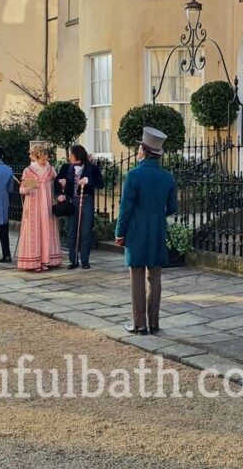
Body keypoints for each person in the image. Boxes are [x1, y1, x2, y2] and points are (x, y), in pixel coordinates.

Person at [115, 127, 178, 335]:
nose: (137, 151)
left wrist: (119, 232)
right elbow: (172, 208)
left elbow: (126, 207)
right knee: (156, 277)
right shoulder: (168, 176)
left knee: (137, 277)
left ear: (144, 150)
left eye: (139, 147)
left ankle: (139, 324)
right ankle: (154, 322)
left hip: (136, 231)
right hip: (158, 230)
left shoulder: (133, 175)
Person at [57, 144, 105, 270]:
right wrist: (60, 192)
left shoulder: (92, 168)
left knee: (86, 231)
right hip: (72, 201)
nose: (69, 157)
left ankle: (85, 260)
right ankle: (73, 260)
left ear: (77, 156)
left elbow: (101, 183)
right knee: (72, 232)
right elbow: (57, 183)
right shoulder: (66, 167)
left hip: (87, 201)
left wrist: (88, 181)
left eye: (71, 155)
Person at [18, 142, 61, 272]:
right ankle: (35, 261)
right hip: (33, 207)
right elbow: (22, 190)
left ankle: (46, 259)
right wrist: (30, 186)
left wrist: (61, 184)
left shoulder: (50, 169)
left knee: (46, 230)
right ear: (35, 157)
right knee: (35, 232)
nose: (45, 161)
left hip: (47, 205)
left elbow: (57, 183)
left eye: (46, 158)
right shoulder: (28, 171)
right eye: (42, 159)